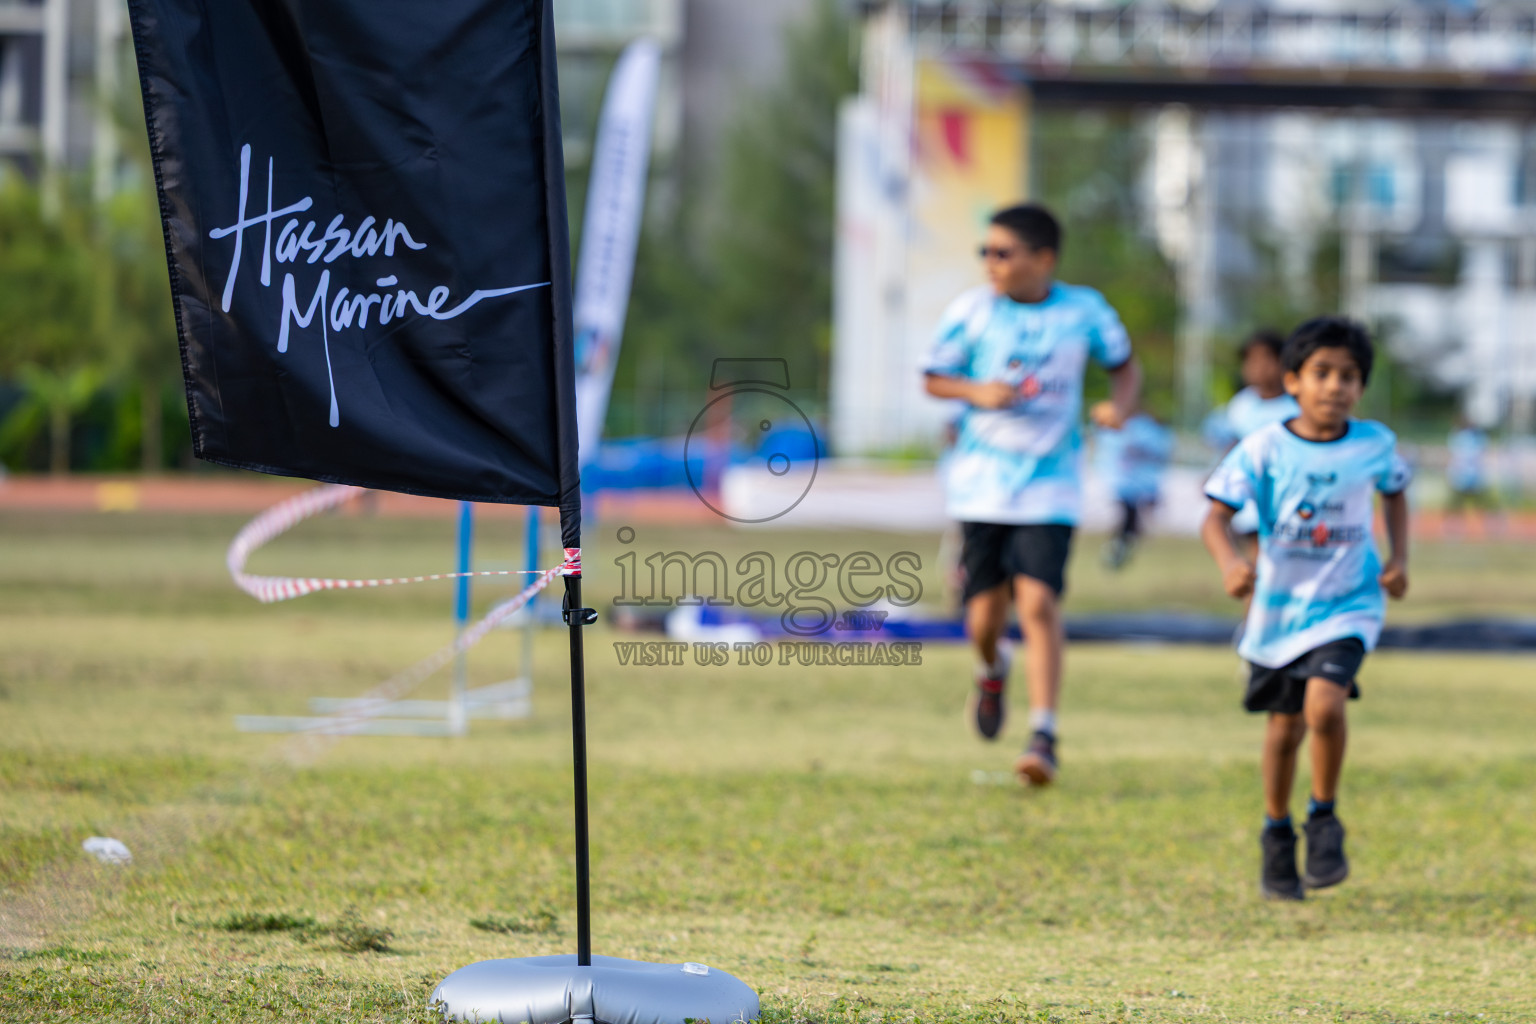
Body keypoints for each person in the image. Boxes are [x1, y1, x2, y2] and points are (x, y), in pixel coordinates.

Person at [923, 203, 1141, 786]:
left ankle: (1044, 734)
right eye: (985, 253)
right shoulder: (972, 312)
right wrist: (976, 391)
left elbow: (1124, 365)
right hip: (982, 488)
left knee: (1040, 603)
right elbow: (932, 376)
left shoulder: (1083, 310)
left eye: (1002, 253)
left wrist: (1118, 409)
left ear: (1043, 259)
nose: (990, 264)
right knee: (983, 620)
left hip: (1052, 484)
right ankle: (992, 669)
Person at [1200, 316, 1411, 901]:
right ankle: (1276, 831)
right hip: (1278, 612)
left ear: (1360, 387)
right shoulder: (1264, 446)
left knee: (1325, 704)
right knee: (1282, 728)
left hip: (1349, 604)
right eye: (1322, 373)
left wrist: (1398, 559)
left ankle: (1324, 817)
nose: (1335, 386)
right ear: (1293, 380)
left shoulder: (1375, 445)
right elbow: (1214, 516)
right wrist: (1230, 565)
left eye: (1348, 376)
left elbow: (1395, 491)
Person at [1204, 329, 1301, 550]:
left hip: (1287, 493)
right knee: (1254, 549)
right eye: (1250, 362)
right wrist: (1215, 474)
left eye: (1265, 360)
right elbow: (1233, 445)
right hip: (1250, 492)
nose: (1257, 368)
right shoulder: (1242, 405)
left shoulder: (1297, 406)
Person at [1093, 410, 1174, 570]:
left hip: (1133, 487)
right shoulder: (1131, 427)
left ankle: (1119, 551)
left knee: (1130, 523)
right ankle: (1117, 552)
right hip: (1123, 486)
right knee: (1128, 521)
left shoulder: (1142, 428)